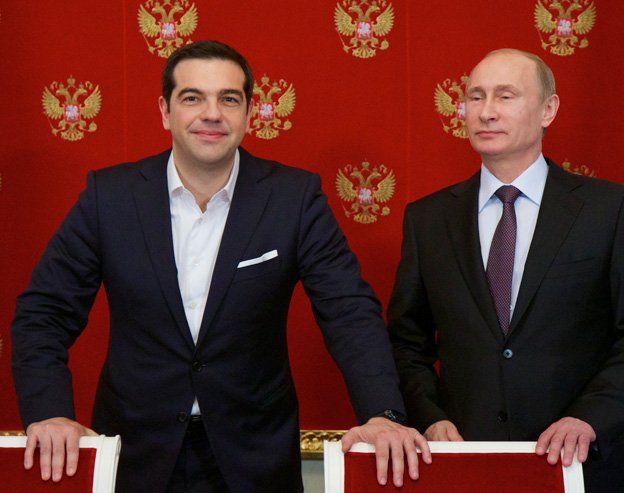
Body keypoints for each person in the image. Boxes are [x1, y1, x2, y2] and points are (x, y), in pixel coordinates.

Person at [11, 40, 430, 492]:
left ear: (249, 113)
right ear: (165, 111)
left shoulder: (294, 199)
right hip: (135, 457)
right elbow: (44, 313)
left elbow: (349, 312)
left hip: (255, 459)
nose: (211, 114)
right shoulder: (108, 197)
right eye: (193, 97)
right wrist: (49, 413)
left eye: (228, 99)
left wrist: (383, 414)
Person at [388, 48, 624, 492]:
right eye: (475, 96)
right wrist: (430, 417)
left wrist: (589, 417)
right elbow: (407, 341)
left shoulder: (608, 210)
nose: (486, 112)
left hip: (583, 464)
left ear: (548, 109)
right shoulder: (428, 219)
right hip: (463, 464)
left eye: (505, 96)